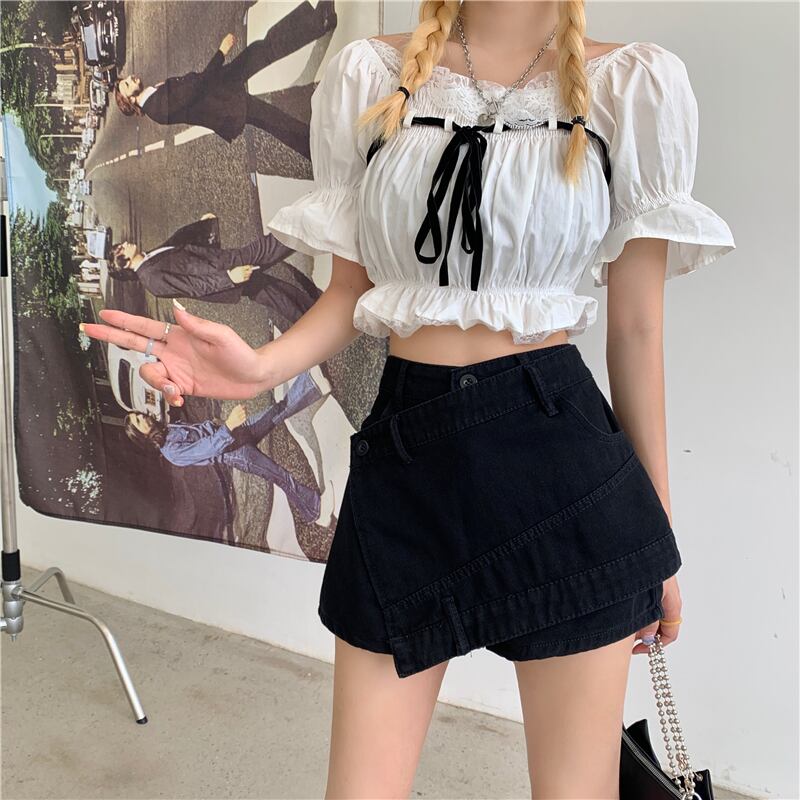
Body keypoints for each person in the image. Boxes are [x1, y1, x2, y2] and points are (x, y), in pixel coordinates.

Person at [81, 1, 736, 796]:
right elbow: (349, 293)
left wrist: (657, 536)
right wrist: (258, 368)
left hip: (562, 467)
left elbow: (636, 330)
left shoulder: (632, 84)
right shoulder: (370, 75)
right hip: (406, 455)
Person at [113, 0, 337, 154]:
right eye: (127, 84)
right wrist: (221, 52)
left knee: (261, 49)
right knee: (277, 122)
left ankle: (318, 21)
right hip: (226, 106)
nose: (131, 78)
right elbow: (197, 87)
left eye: (126, 79)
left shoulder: (153, 96)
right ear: (130, 101)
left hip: (222, 85)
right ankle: (325, 153)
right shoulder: (156, 107)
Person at [124, 370, 323, 524]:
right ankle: (312, 509)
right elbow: (207, 448)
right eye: (138, 421)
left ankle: (310, 384)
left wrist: (220, 424)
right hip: (235, 452)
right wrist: (228, 425)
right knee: (279, 475)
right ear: (141, 436)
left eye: (138, 414)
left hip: (236, 433)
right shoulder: (171, 452)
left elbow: (201, 432)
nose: (142, 416)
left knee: (276, 411)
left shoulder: (167, 429)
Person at [108, 215, 320, 329]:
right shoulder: (152, 280)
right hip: (224, 271)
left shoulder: (147, 259)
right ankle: (315, 220)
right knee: (269, 247)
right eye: (121, 249)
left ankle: (314, 319)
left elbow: (178, 246)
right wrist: (230, 278)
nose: (125, 244)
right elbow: (195, 287)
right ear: (124, 264)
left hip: (220, 264)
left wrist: (204, 227)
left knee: (273, 293)